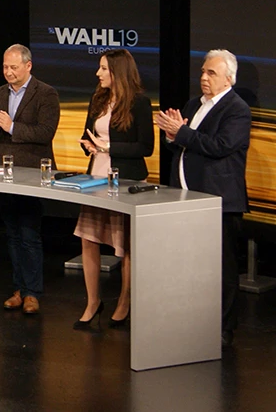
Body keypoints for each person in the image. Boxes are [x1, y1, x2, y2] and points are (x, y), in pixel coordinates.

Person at [155, 49, 251, 346]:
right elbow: (184, 146)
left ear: (229, 78)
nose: (204, 77)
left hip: (219, 201)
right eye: (202, 72)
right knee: (188, 264)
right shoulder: (194, 104)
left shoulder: (237, 109)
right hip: (186, 197)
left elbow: (220, 146)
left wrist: (180, 132)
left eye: (211, 73)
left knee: (221, 268)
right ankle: (191, 320)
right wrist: (172, 136)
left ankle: (223, 329)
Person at [72, 49, 153, 330]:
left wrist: (109, 147)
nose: (98, 73)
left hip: (126, 181)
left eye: (103, 69)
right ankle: (93, 302)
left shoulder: (140, 103)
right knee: (89, 239)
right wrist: (89, 145)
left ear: (118, 71)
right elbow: (87, 135)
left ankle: (124, 302)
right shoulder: (98, 99)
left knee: (126, 245)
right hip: (95, 178)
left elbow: (146, 147)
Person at [0, 44, 60, 314]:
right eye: (5, 67)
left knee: (29, 233)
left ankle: (33, 293)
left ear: (28, 66)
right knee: (12, 233)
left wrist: (10, 126)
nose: (8, 72)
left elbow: (45, 132)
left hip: (33, 172)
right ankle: (19, 289)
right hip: (4, 172)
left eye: (13, 67)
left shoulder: (46, 94)